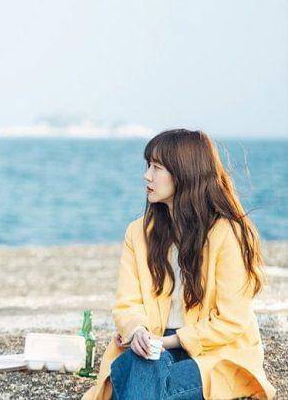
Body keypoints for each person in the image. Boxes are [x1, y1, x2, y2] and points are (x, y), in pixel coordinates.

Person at [83, 129, 276, 400]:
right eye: (148, 165)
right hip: (153, 345)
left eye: (157, 167)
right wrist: (138, 332)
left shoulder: (226, 233)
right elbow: (127, 304)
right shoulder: (138, 233)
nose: (147, 176)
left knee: (136, 373)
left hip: (216, 351)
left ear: (184, 173)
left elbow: (232, 321)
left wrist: (166, 342)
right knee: (144, 363)